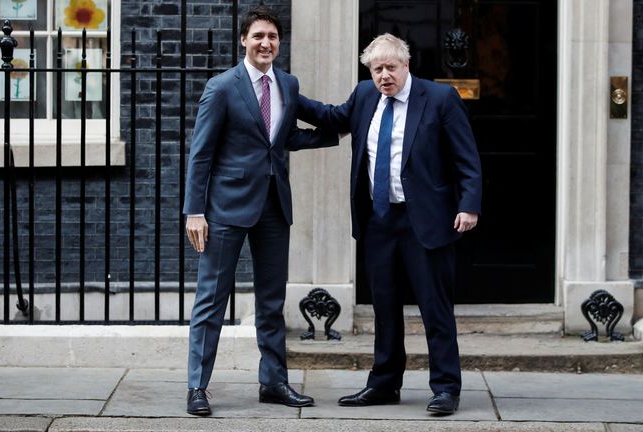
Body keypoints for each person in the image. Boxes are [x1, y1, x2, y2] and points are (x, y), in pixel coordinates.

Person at [298, 33, 482, 415]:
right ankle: (384, 383)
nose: (384, 75)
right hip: (379, 220)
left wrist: (469, 205)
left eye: (390, 67)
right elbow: (332, 117)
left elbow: (466, 157)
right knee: (384, 306)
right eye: (377, 68)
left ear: (406, 65)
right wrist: (283, 90)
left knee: (435, 307)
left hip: (425, 221)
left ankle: (446, 387)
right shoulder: (365, 96)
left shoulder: (439, 98)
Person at [183, 6, 337, 416]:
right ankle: (197, 386)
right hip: (225, 209)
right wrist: (194, 211)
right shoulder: (222, 87)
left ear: (279, 42)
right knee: (211, 301)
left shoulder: (286, 83)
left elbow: (286, 137)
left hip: (273, 206)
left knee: (271, 302)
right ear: (244, 41)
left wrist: (349, 119)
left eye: (272, 36)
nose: (265, 43)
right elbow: (201, 155)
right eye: (258, 36)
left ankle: (274, 382)